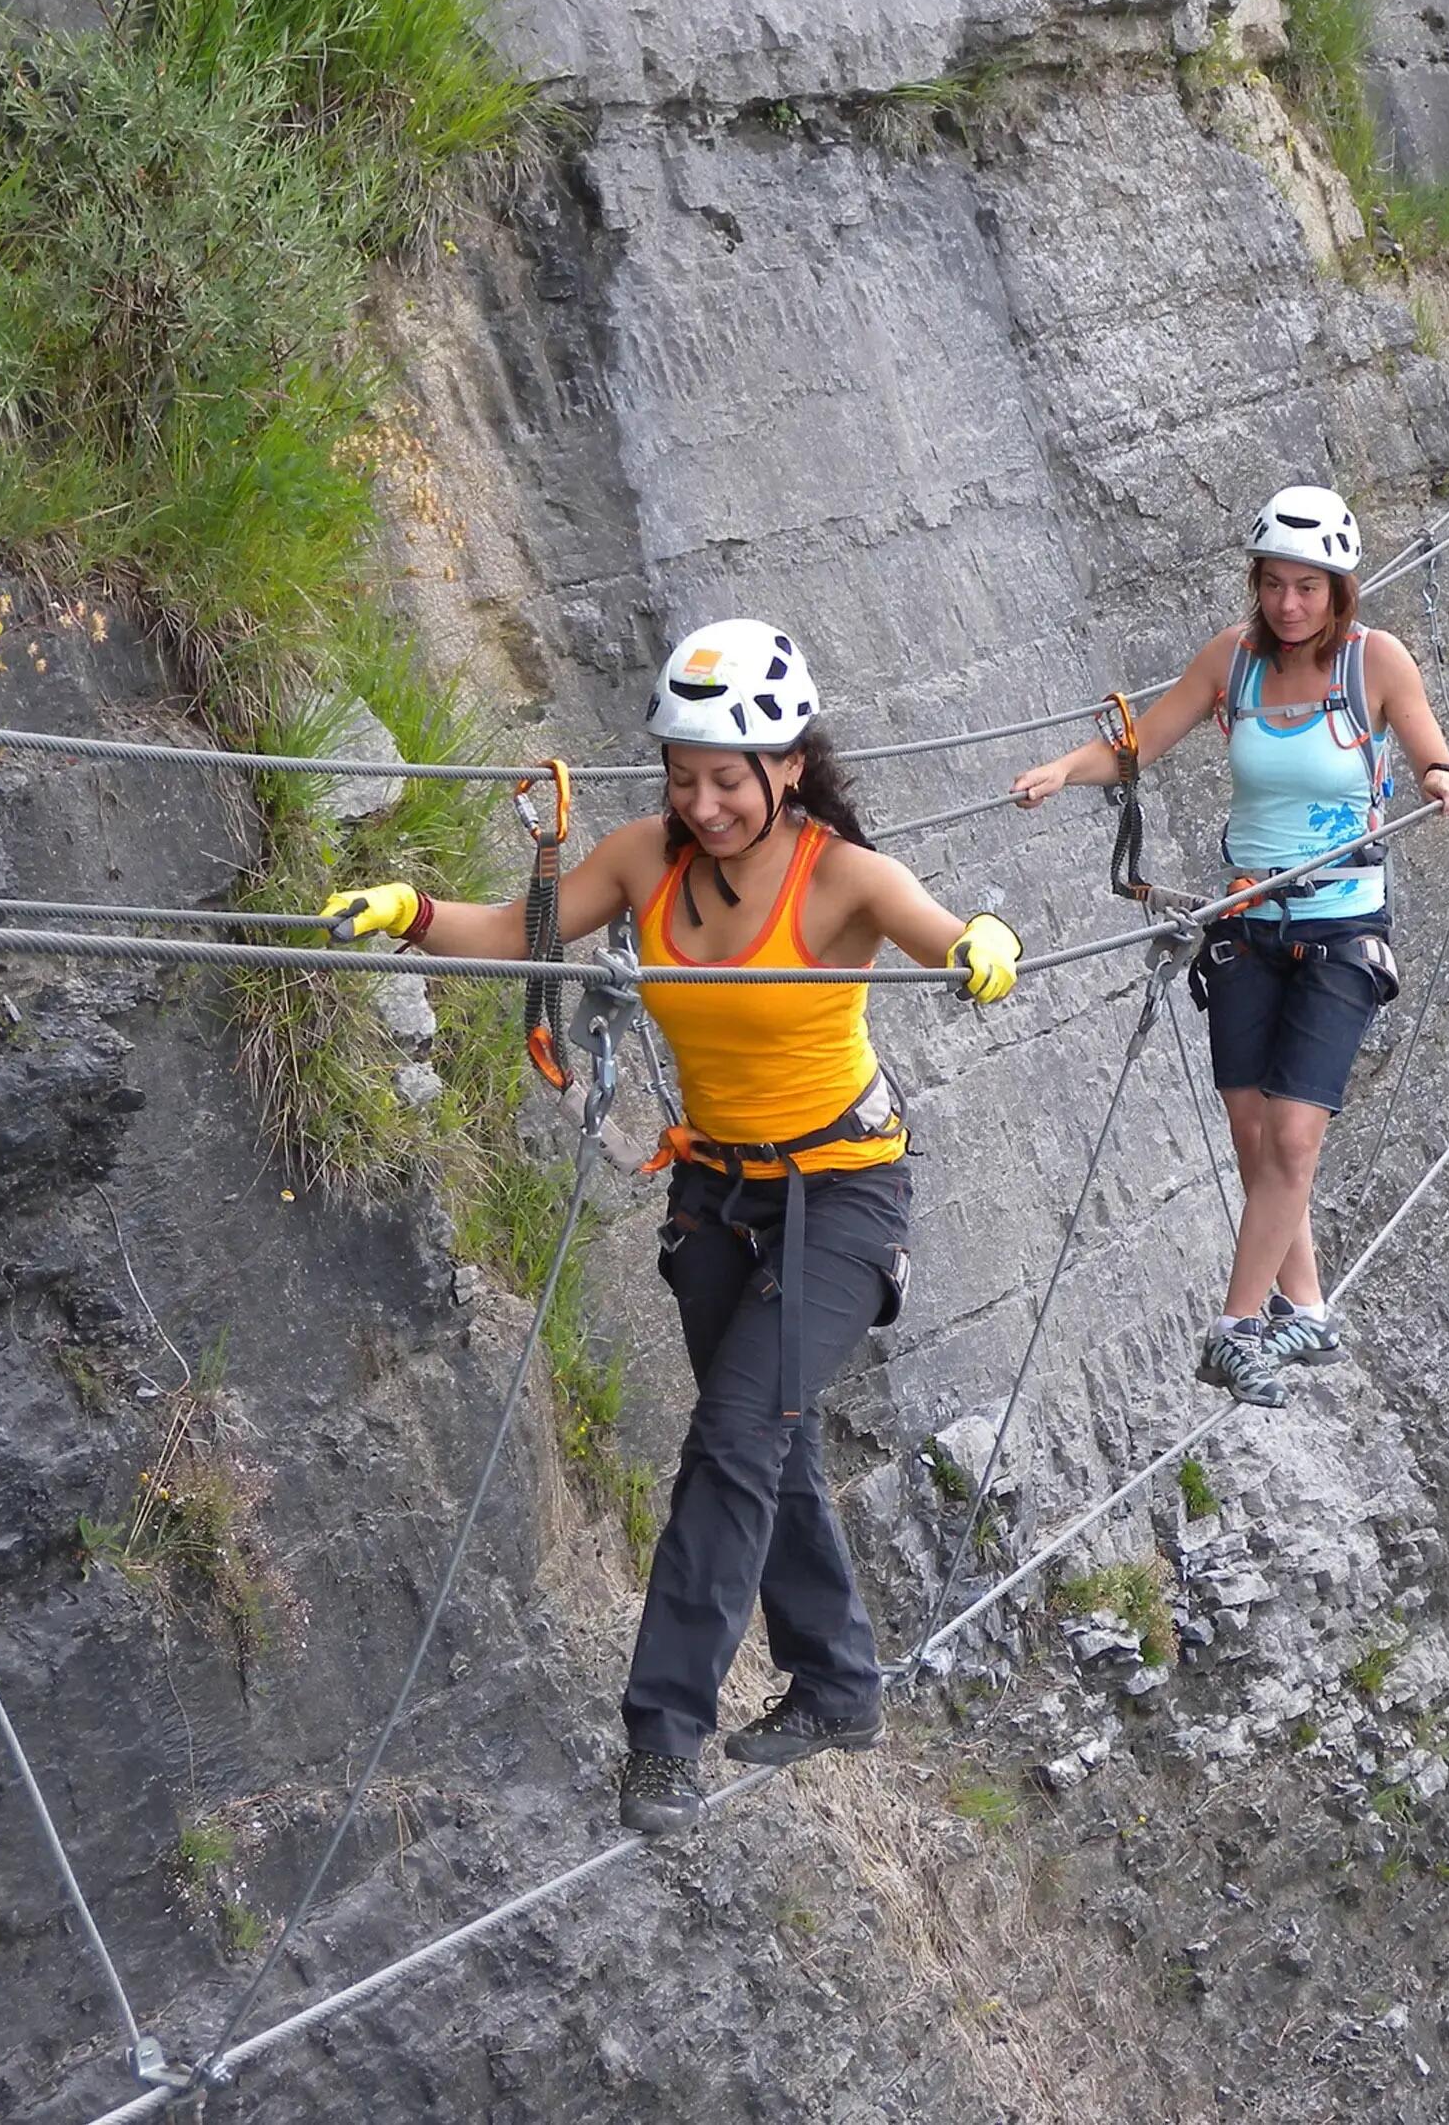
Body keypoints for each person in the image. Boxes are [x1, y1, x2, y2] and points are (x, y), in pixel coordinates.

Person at [321, 620, 1022, 1836]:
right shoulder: (645, 858)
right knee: (775, 1446)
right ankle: (840, 1682)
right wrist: (411, 909)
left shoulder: (837, 872)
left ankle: (662, 1735)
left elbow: (937, 930)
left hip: (844, 1200)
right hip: (715, 1198)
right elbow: (518, 932)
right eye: (682, 775)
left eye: (726, 779)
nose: (701, 803)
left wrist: (983, 944)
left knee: (734, 1441)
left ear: (788, 766)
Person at [1011, 487, 1449, 1409]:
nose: (1289, 605)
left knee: (1294, 1136)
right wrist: (1068, 768)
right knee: (1254, 1134)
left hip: (1341, 923)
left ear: (1340, 590)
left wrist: (1442, 778)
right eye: (1273, 585)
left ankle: (1235, 1327)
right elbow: (1145, 743)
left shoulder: (1374, 663)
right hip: (1246, 923)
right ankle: (1304, 1305)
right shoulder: (1233, 663)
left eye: (1308, 588)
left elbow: (1426, 743)